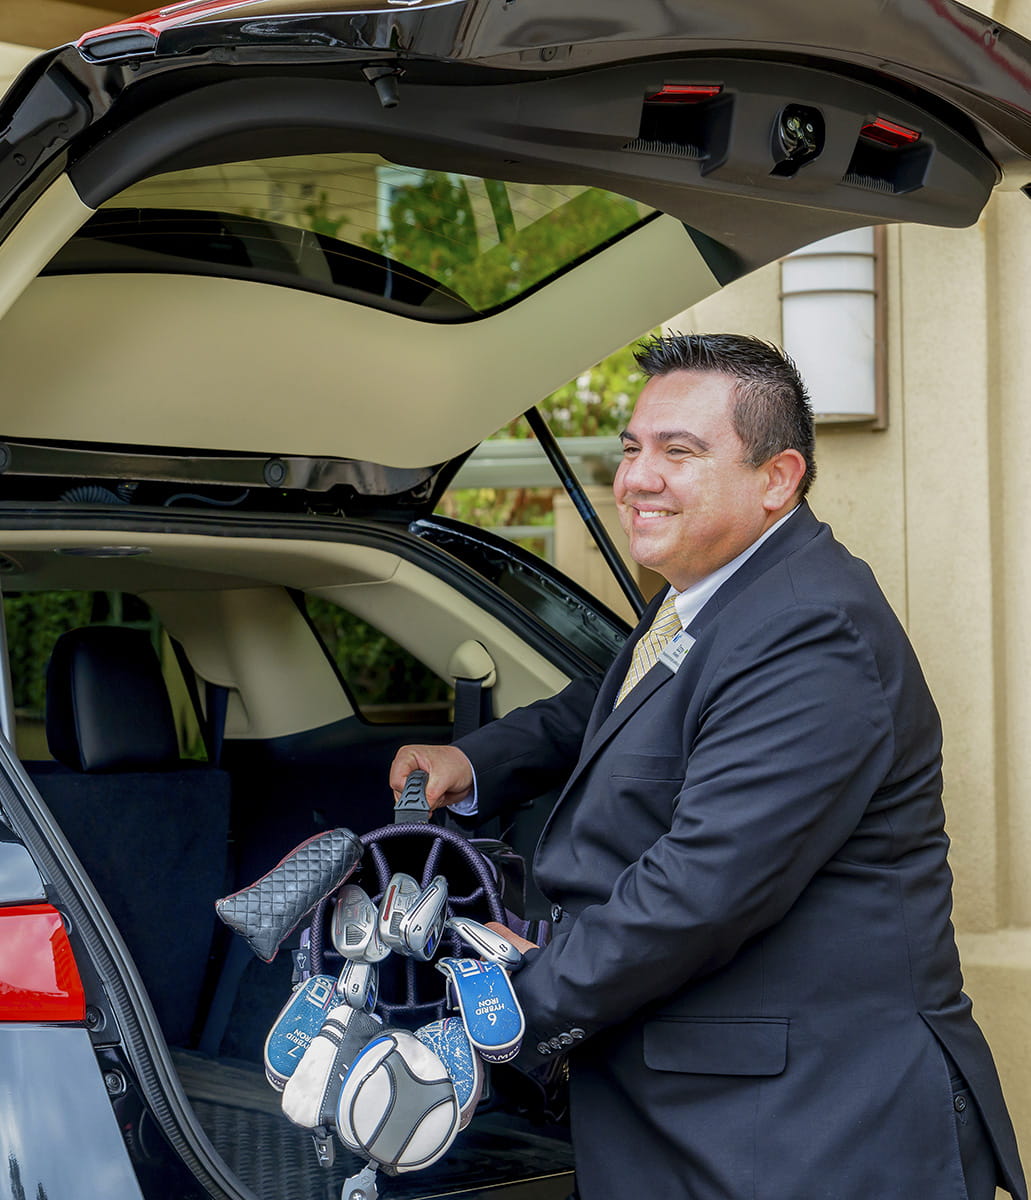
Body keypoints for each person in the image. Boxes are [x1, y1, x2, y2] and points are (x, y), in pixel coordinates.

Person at [389, 333, 1026, 1200]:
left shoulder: (812, 632)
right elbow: (615, 706)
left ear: (777, 478)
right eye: (631, 449)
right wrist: (475, 758)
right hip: (707, 1110)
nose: (636, 478)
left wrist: (508, 1003)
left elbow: (700, 890)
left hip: (803, 1133)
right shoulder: (720, 594)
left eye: (678, 453)